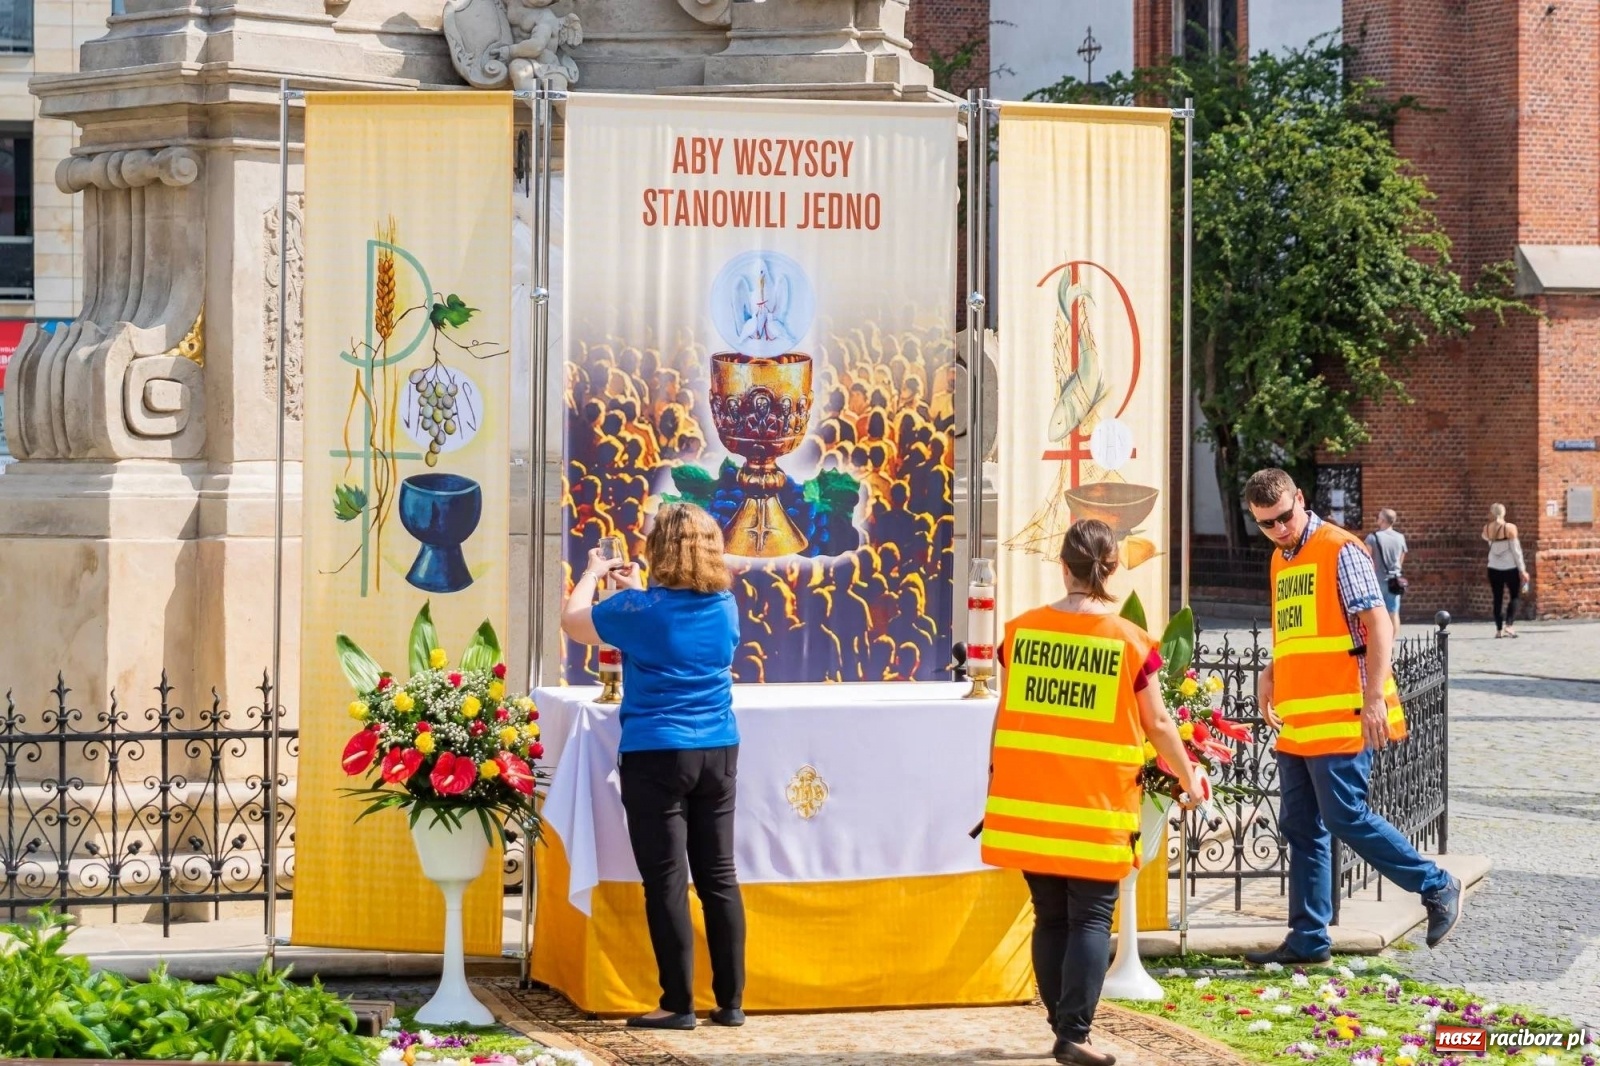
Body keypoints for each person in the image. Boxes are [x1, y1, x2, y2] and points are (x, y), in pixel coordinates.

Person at [982, 519, 1203, 1066]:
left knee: (1050, 916)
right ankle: (1074, 1034)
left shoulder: (1022, 633)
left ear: (1064, 567)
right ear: (1113, 569)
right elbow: (1158, 724)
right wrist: (1187, 776)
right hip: (1096, 805)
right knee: (1089, 919)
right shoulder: (1128, 641)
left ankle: (1063, 1026)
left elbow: (1004, 714)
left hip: (1031, 800)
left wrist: (994, 776)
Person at [1242, 469, 1461, 967]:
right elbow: (1302, 631)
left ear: (1301, 499)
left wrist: (1375, 698)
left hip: (1344, 712)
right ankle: (1308, 938)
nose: (1278, 529)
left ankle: (1436, 885)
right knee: (1301, 827)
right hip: (1300, 718)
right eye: (1265, 523)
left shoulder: (1339, 548)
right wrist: (1271, 671)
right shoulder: (1280, 559)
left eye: (1283, 517)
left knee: (1345, 816)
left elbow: (1379, 623)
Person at [559, 503, 745, 1031]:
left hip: (657, 750)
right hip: (719, 748)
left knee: (666, 880)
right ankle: (730, 1002)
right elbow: (668, 620)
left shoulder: (639, 610)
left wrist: (593, 574)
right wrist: (636, 591)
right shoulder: (725, 605)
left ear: (659, 549)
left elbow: (574, 622)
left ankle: (678, 1004)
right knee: (719, 877)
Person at [1482, 503, 1529, 638]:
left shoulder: (1487, 528)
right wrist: (1523, 570)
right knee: (1515, 596)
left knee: (1497, 598)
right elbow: (1516, 551)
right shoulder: (1510, 528)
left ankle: (1498, 630)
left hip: (1493, 568)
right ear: (1504, 513)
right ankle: (1509, 625)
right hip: (1510, 568)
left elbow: (1486, 539)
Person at [1365, 508, 1408, 632]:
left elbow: (1367, 559)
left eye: (1378, 517)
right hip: (1395, 580)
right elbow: (1401, 558)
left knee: (1376, 614)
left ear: (1383, 520)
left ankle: (1380, 639)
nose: (1377, 520)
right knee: (1394, 613)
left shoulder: (1372, 538)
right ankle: (1392, 641)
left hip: (1377, 580)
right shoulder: (1400, 537)